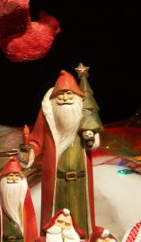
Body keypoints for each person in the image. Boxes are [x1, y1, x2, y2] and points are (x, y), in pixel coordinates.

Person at [25, 66, 103, 232]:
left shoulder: (84, 118)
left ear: (77, 96)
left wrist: (91, 139)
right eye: (61, 94)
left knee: (82, 223)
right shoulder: (48, 115)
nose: (65, 98)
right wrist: (29, 152)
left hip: (81, 183)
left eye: (69, 94)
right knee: (54, 225)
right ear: (54, 96)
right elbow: (36, 140)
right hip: (56, 182)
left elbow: (92, 142)